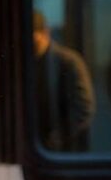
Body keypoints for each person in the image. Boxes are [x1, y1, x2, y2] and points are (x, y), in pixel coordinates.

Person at [33, 10, 95, 152]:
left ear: (45, 33)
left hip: (66, 149)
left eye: (34, 40)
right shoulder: (27, 64)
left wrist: (59, 136)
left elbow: (83, 107)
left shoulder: (68, 62)